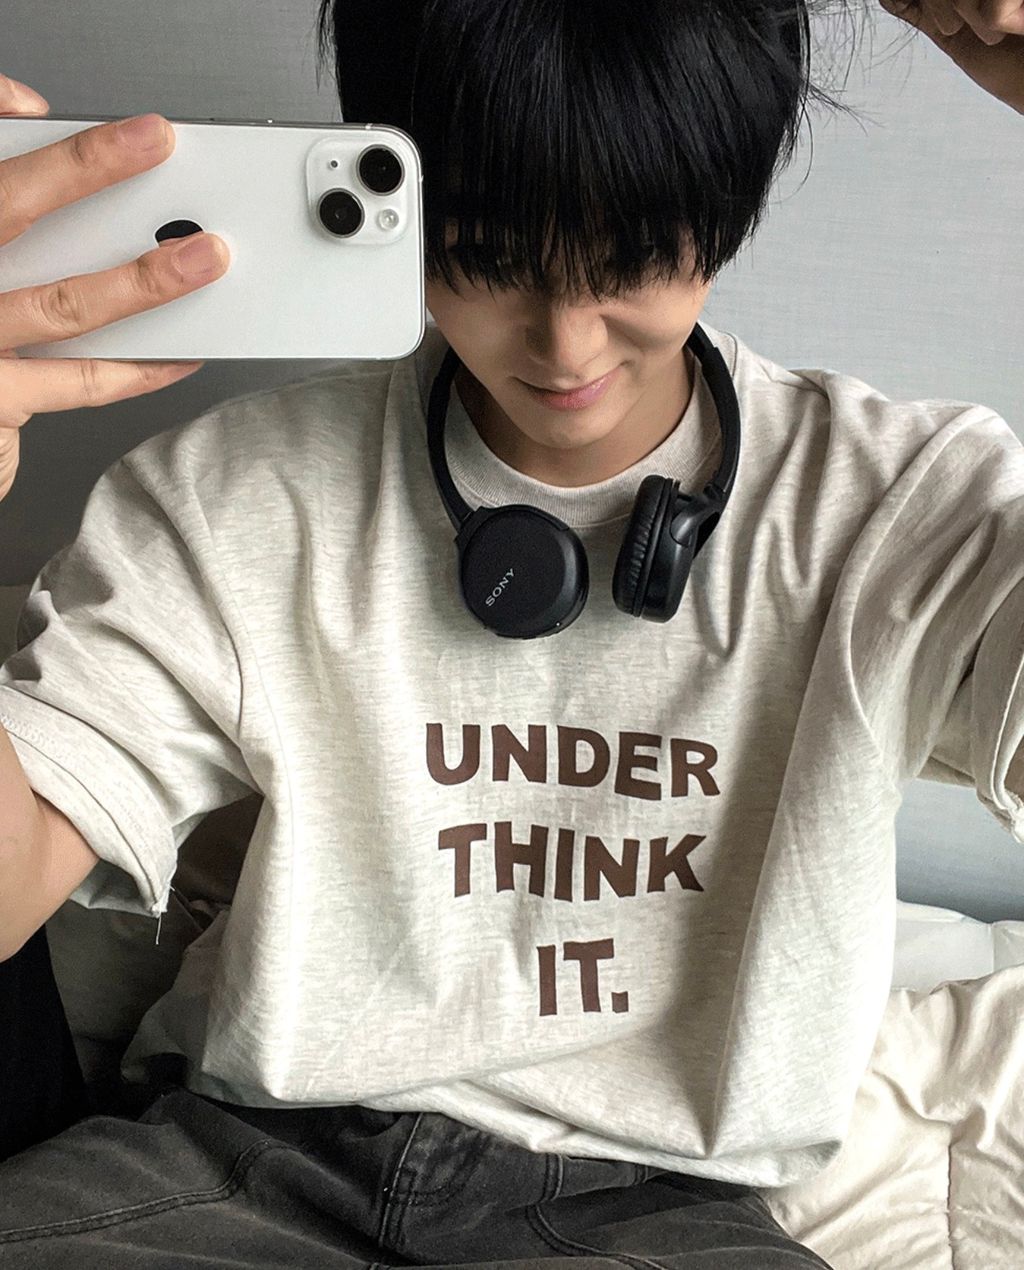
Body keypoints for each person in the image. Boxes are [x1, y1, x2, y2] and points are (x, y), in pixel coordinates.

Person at [0, 1, 1021, 1265]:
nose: (563, 343)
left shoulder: (896, 505)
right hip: (233, 1163)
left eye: (632, 256)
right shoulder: (231, 490)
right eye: (486, 255)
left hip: (654, 1213)